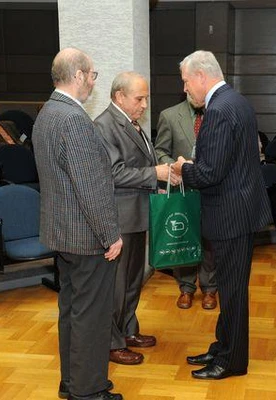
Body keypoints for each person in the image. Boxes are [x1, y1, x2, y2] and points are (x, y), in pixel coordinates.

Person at [172, 50, 272, 380]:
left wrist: (183, 167)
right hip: (240, 210)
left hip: (229, 214)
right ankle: (223, 346)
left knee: (231, 292)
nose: (185, 89)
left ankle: (231, 361)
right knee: (232, 288)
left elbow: (208, 174)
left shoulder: (217, 110)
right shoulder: (237, 101)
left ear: (202, 76)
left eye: (186, 82)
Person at [32, 48, 123, 400]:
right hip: (87, 238)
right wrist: (110, 235)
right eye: (94, 75)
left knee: (71, 311)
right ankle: (88, 391)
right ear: (80, 75)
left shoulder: (47, 113)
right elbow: (92, 187)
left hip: (63, 235)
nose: (93, 82)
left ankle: (72, 381)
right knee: (91, 317)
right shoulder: (74, 119)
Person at [95, 72, 179, 366]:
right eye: (139, 98)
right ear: (119, 97)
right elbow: (113, 173)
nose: (144, 105)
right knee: (118, 285)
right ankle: (112, 342)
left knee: (133, 281)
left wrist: (164, 173)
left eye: (146, 98)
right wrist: (154, 174)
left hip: (139, 214)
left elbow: (142, 163)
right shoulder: (105, 125)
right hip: (120, 217)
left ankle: (129, 330)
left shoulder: (133, 124)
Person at [155, 95, 217, 310]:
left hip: (211, 190)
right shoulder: (169, 115)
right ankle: (186, 288)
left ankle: (210, 288)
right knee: (184, 239)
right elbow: (160, 151)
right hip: (182, 189)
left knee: (210, 241)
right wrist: (175, 167)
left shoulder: (218, 114)